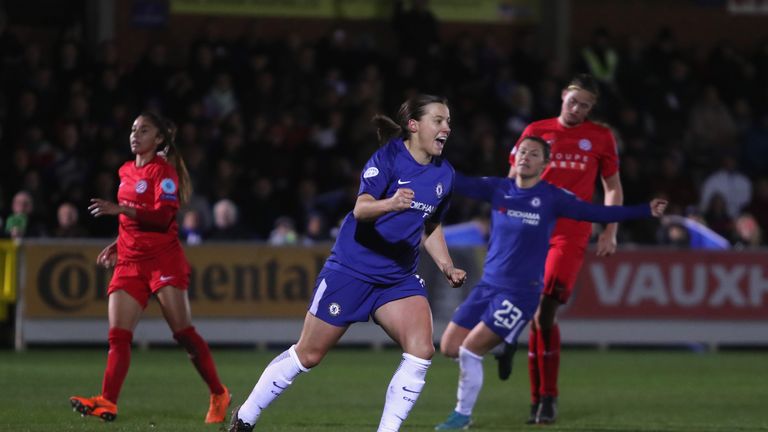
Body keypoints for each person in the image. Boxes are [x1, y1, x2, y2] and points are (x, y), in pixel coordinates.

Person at [229, 94, 467, 432]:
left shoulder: (445, 174)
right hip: (352, 269)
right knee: (308, 355)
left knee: (421, 350)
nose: (447, 127)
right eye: (439, 120)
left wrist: (446, 266)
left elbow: (430, 225)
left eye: (448, 121)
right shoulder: (387, 158)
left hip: (397, 277)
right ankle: (246, 416)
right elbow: (362, 209)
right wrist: (392, 203)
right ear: (414, 126)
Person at [435, 136, 667, 429]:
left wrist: (644, 210)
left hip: (522, 292)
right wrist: (425, 152)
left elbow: (596, 212)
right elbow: (459, 181)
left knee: (469, 350)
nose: (525, 157)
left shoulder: (552, 197)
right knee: (449, 347)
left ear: (545, 165)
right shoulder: (499, 189)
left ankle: (462, 416)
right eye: (522, 152)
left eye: (534, 154)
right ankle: (502, 345)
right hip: (488, 286)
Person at [69, 112, 231, 423]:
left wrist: (121, 209)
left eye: (144, 130)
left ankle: (218, 393)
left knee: (183, 334)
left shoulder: (164, 173)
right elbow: (132, 220)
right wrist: (118, 244)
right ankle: (108, 401)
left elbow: (161, 218)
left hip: (162, 261)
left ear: (158, 140)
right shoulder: (126, 170)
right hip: (129, 262)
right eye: (133, 129)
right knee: (118, 337)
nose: (135, 134)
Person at [505, 74, 624, 424]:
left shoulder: (600, 137)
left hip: (571, 234)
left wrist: (610, 230)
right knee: (537, 316)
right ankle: (539, 400)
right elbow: (514, 178)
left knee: (545, 309)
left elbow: (612, 187)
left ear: (592, 108)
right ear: (562, 97)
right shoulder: (536, 130)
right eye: (574, 101)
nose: (577, 109)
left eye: (585, 105)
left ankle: (548, 397)